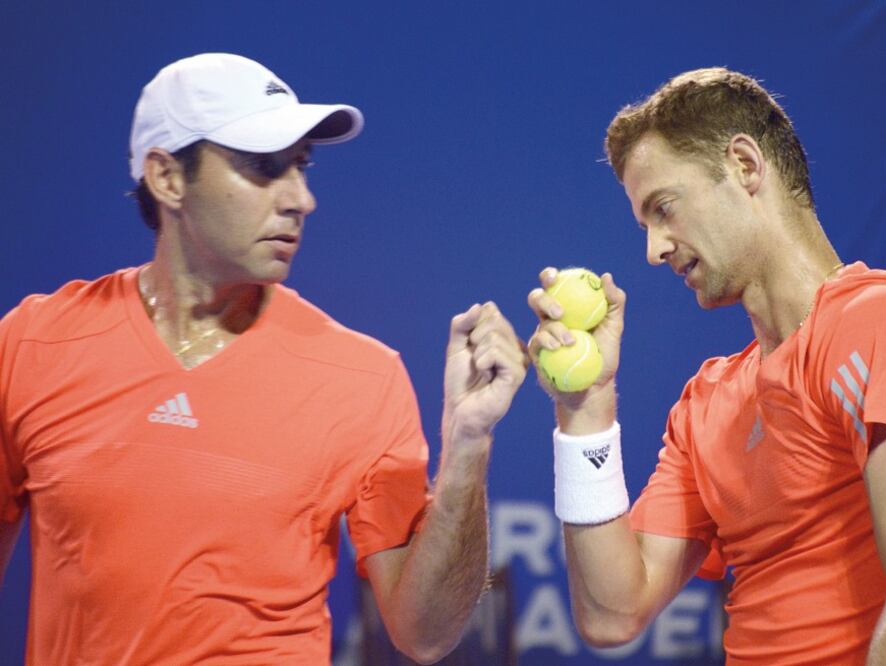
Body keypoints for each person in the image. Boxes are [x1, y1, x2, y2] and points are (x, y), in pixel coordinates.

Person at [0, 53, 528, 664]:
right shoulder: (32, 345)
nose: (302, 199)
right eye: (263, 167)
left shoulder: (363, 376)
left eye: (300, 167)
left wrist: (468, 446)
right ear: (167, 177)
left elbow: (426, 634)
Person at [527, 67, 886, 663]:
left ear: (746, 166)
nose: (653, 250)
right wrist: (585, 411)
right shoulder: (707, 405)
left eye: (664, 209)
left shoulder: (884, 326)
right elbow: (611, 614)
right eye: (645, 225)